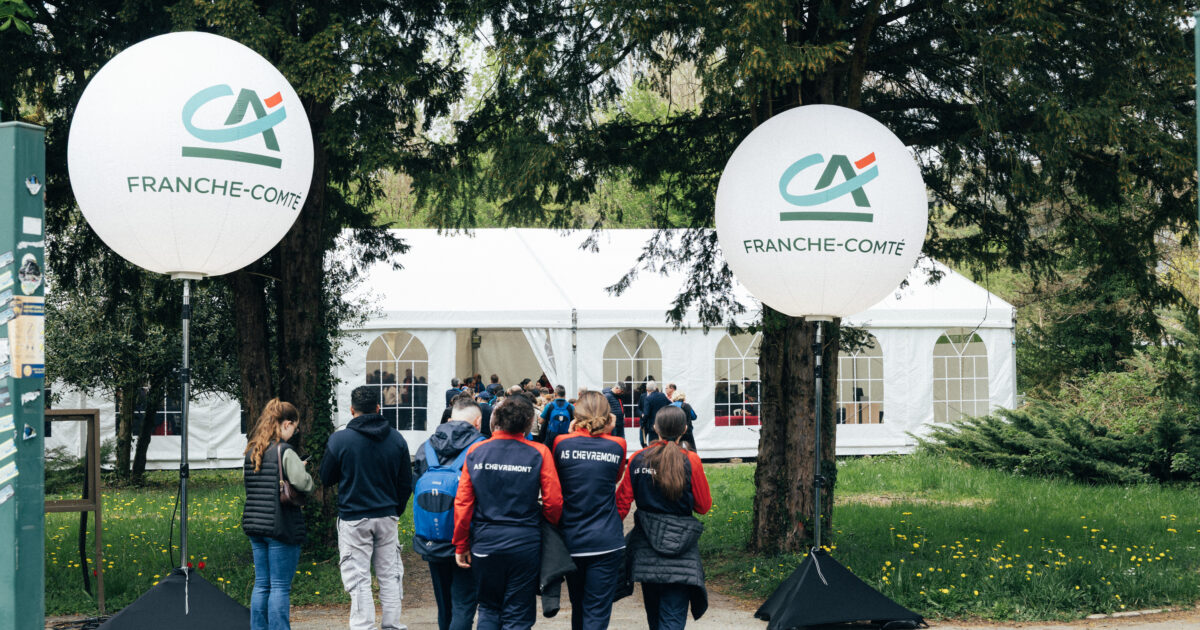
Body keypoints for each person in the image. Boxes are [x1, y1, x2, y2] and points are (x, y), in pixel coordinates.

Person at [452, 394, 563, 630]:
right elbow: (554, 502)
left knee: (489, 608)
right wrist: (547, 522)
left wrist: (461, 544)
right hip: (524, 542)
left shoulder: (476, 452)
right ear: (527, 423)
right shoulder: (539, 452)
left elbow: (463, 504)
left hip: (485, 542)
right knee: (518, 613)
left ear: (495, 421)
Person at [320, 386, 413, 630]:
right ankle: (392, 625)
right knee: (390, 574)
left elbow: (325, 477)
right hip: (387, 515)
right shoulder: (396, 438)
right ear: (378, 408)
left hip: (353, 517)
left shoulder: (340, 439)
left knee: (358, 575)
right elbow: (406, 482)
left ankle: (363, 626)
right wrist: (396, 509)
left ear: (352, 410)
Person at [617, 406, 712, 630]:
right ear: (685, 429)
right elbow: (703, 506)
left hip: (646, 545)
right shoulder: (691, 461)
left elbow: (622, 502)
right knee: (673, 614)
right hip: (681, 545)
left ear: (655, 428)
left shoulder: (639, 458)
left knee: (654, 612)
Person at [552, 391, 627, 630]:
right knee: (596, 610)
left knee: (578, 605)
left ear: (576, 416)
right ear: (608, 417)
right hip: (606, 538)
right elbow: (615, 478)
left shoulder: (560, 443)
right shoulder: (617, 445)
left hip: (571, 538)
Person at [413, 397, 486, 630]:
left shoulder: (425, 448)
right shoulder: (482, 448)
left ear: (450, 418)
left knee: (444, 604)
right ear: (478, 422)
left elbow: (416, 486)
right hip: (468, 537)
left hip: (432, 536)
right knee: (464, 604)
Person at [242, 399, 313, 630]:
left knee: (262, 584)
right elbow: (303, 484)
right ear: (285, 424)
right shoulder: (285, 450)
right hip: (281, 526)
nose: (296, 431)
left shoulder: (252, 451)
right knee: (280, 586)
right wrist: (302, 470)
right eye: (294, 425)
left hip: (255, 525)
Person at [640, 380, 671, 446]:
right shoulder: (662, 395)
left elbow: (646, 414)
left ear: (647, 389)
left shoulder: (648, 399)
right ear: (656, 387)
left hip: (653, 426)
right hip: (663, 424)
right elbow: (670, 405)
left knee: (653, 446)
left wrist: (642, 424)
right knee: (663, 444)